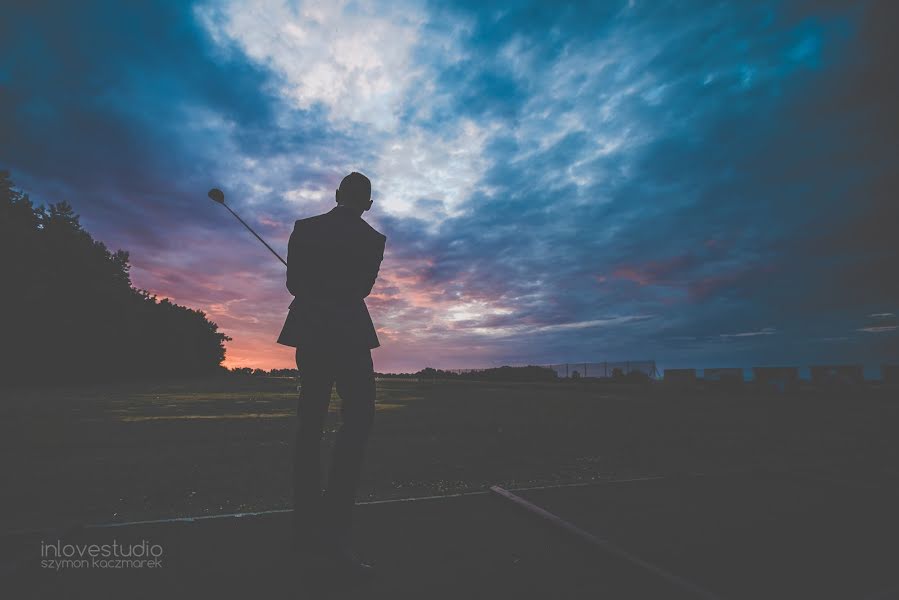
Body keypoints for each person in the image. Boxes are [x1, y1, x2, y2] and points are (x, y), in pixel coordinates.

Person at [277, 171, 386, 581]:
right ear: (368, 204)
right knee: (357, 422)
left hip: (313, 329)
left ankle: (307, 524)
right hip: (350, 333)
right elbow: (361, 289)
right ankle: (333, 522)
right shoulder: (374, 241)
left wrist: (315, 286)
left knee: (311, 423)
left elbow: (294, 284)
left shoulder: (305, 229)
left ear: (337, 195)